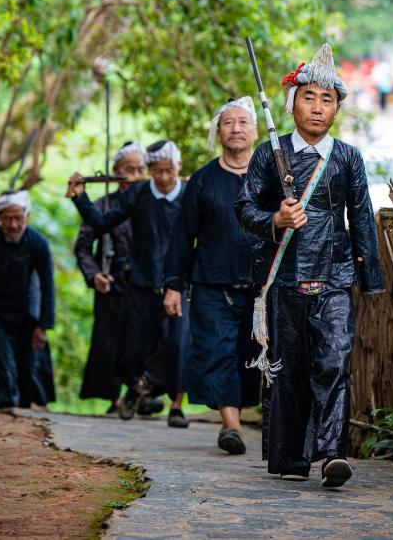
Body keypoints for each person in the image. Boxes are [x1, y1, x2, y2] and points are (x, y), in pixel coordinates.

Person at [235, 43, 385, 488]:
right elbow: (244, 210)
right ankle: (291, 457)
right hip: (283, 277)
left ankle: (331, 454)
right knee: (289, 368)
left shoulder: (347, 158)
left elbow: (361, 219)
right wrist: (276, 220)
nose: (318, 108)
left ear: (337, 107)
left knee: (335, 363)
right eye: (309, 97)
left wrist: (369, 280)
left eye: (327, 99)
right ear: (292, 102)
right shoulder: (269, 155)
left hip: (335, 276)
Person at [66, 140, 191, 428]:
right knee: (135, 348)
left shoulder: (189, 194)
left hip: (177, 284)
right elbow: (101, 223)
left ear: (179, 167)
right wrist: (80, 198)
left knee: (177, 343)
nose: (163, 178)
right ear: (150, 171)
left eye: (169, 170)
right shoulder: (137, 193)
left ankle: (158, 394)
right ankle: (137, 389)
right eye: (156, 171)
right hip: (139, 285)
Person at [164, 97, 262, 455]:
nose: (235, 128)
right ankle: (231, 426)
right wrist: (173, 284)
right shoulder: (203, 180)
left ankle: (243, 415)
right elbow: (182, 235)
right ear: (218, 133)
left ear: (255, 131)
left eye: (242, 122)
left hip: (260, 286)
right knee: (217, 351)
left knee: (249, 355)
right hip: (211, 284)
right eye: (227, 123)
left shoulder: (269, 176)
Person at [73, 142, 157, 414]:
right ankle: (114, 398)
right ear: (115, 171)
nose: (133, 174)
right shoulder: (102, 206)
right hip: (112, 284)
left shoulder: (152, 202)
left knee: (145, 340)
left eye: (140, 169)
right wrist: (94, 274)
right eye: (128, 169)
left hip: (144, 285)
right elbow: (83, 246)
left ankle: (141, 394)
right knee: (110, 340)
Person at [0, 190, 55, 411]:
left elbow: (47, 286)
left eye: (19, 218)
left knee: (28, 363)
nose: (13, 224)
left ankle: (27, 405)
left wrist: (43, 325)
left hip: (26, 311)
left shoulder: (38, 243)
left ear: (28, 216)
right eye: (8, 218)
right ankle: (1, 408)